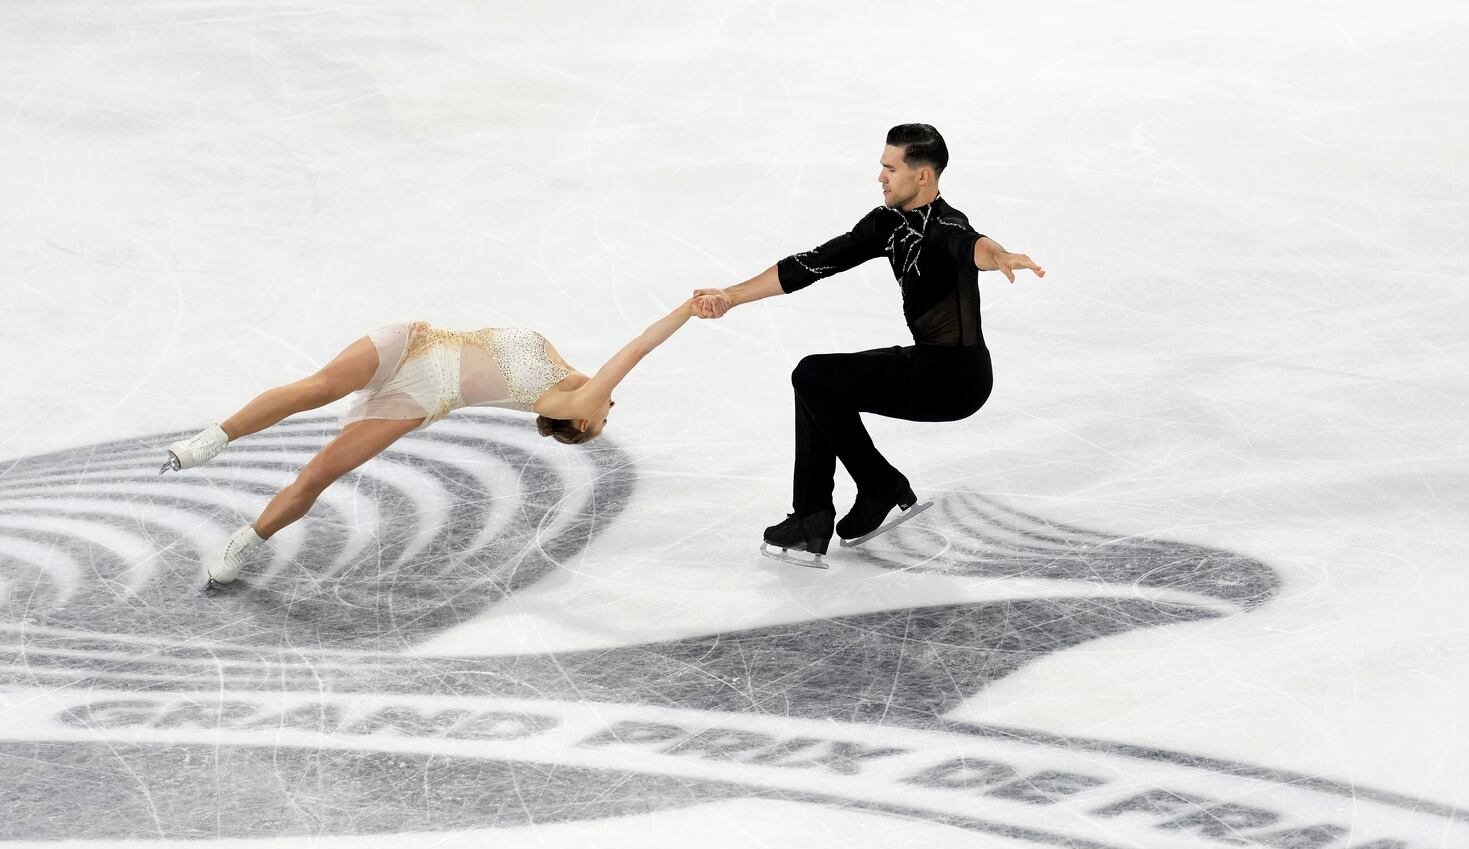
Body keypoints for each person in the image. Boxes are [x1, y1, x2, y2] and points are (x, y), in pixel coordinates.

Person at [692, 123, 1045, 568]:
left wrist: (1003, 257)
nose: (880, 177)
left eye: (889, 168)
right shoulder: (886, 224)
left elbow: (974, 247)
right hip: (928, 364)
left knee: (814, 376)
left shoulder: (946, 226)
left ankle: (868, 489)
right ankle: (815, 515)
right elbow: (813, 264)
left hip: (957, 377)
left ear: (922, 176)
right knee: (816, 382)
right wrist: (730, 295)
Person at [162, 301, 705, 587]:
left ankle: (248, 540)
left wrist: (686, 310)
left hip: (423, 396)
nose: (609, 409)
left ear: (584, 425)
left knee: (320, 474)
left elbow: (637, 349)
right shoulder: (562, 367)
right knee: (318, 388)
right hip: (415, 340)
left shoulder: (576, 403)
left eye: (604, 420)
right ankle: (212, 439)